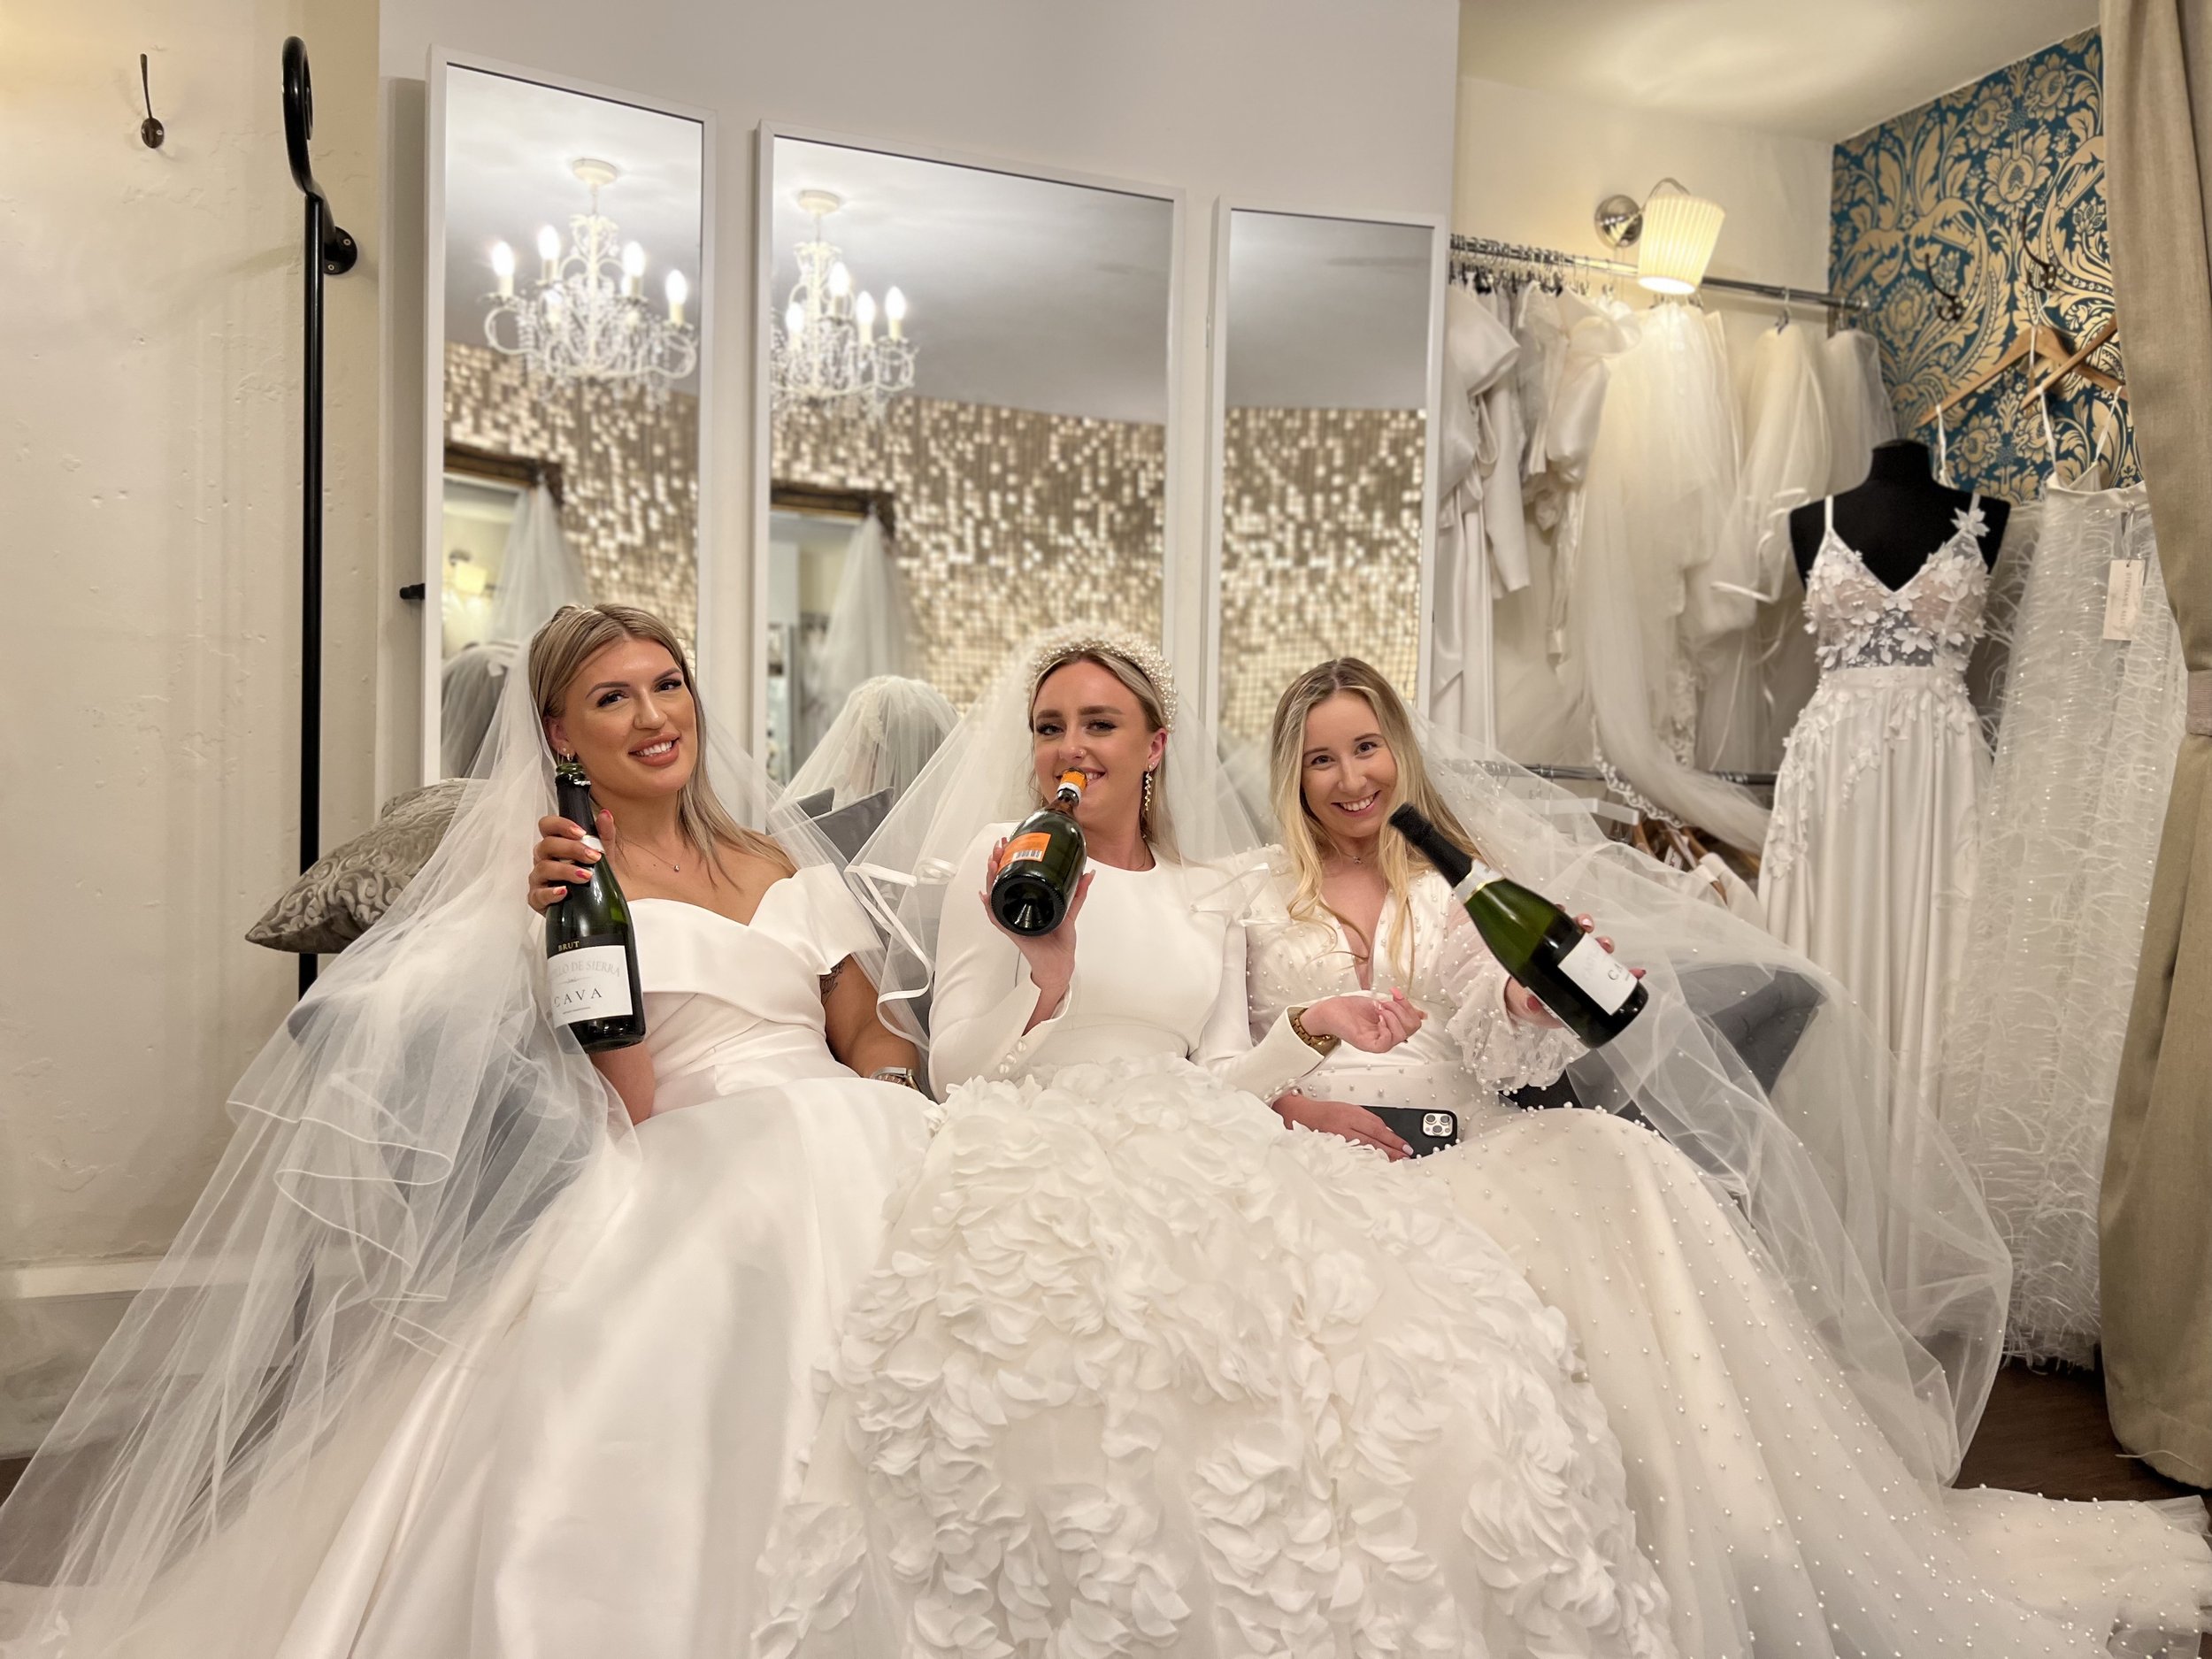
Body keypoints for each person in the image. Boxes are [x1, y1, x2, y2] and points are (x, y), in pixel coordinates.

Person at [0, 603, 929, 1659]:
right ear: (561, 736)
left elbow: (869, 1027)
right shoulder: (557, 882)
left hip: (851, 1125)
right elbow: (617, 1091)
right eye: (610, 699)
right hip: (683, 1145)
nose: (652, 716)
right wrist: (555, 925)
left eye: (665, 685)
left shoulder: (779, 862)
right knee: (764, 1208)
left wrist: (884, 1092)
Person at [1245, 656, 2212, 1659]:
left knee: (1621, 1172)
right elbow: (1221, 1049)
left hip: (1458, 1142)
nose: (1351, 776)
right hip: (1311, 1149)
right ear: (1294, 776)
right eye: (1322, 758)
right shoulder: (1253, 897)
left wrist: (1530, 996)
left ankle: (1726, 1532)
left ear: (1397, 753)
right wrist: (1299, 1104)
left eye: (1366, 748)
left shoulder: (1454, 889)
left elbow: (1492, 1015)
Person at [753, 625, 1678, 1659]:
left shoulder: (1208, 891)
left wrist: (1312, 1029)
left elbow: (1223, 1078)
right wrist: (1047, 975)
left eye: (1099, 724)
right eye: (1050, 727)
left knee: (1376, 1379)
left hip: (1194, 1137)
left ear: (1153, 746)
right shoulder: (1000, 860)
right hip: (1034, 1142)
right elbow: (958, 1076)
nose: (1072, 747)